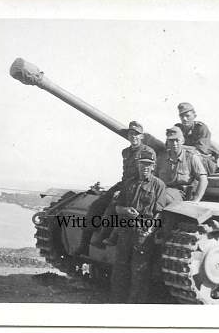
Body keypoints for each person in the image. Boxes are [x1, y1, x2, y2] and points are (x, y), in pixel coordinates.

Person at [74, 121, 155, 255]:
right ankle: (84, 245)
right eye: (131, 133)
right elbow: (125, 175)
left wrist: (126, 190)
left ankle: (104, 238)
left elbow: (149, 173)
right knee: (96, 205)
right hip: (124, 183)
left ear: (141, 136)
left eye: (136, 134)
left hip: (138, 185)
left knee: (113, 206)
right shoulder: (126, 152)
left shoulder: (147, 151)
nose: (133, 136)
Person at [109, 149, 167, 303]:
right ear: (137, 165)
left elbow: (159, 213)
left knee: (139, 271)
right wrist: (125, 210)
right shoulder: (129, 183)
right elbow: (117, 207)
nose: (145, 167)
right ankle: (117, 302)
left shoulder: (158, 185)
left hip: (143, 233)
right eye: (142, 164)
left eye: (148, 164)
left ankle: (135, 306)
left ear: (153, 166)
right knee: (120, 268)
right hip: (126, 230)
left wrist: (149, 231)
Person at [156, 126, 208, 204]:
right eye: (171, 141)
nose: (174, 144)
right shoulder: (161, 159)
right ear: (167, 142)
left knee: (164, 198)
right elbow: (154, 178)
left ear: (182, 141)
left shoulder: (191, 157)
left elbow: (203, 179)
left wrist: (196, 200)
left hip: (182, 194)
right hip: (163, 191)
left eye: (177, 140)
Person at [175, 102, 219, 174]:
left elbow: (200, 150)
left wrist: (179, 147)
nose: (184, 119)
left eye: (187, 116)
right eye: (181, 116)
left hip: (204, 161)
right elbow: (168, 145)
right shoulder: (178, 128)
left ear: (194, 116)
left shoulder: (201, 128)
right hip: (185, 160)